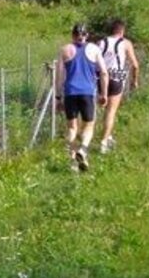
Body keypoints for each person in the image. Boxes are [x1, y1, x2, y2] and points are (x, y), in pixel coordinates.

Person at [56, 23, 108, 171]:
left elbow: (59, 75)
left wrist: (58, 97)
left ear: (72, 35)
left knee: (72, 128)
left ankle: (73, 162)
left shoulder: (65, 50)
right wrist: (103, 93)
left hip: (70, 92)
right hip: (87, 92)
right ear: (87, 35)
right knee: (89, 125)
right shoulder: (94, 49)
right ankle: (83, 149)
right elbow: (104, 72)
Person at [97, 19, 140, 153]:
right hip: (118, 74)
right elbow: (135, 65)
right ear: (122, 31)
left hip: (101, 75)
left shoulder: (101, 42)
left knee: (102, 108)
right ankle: (104, 141)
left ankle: (107, 135)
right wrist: (134, 80)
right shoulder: (126, 43)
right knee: (111, 111)